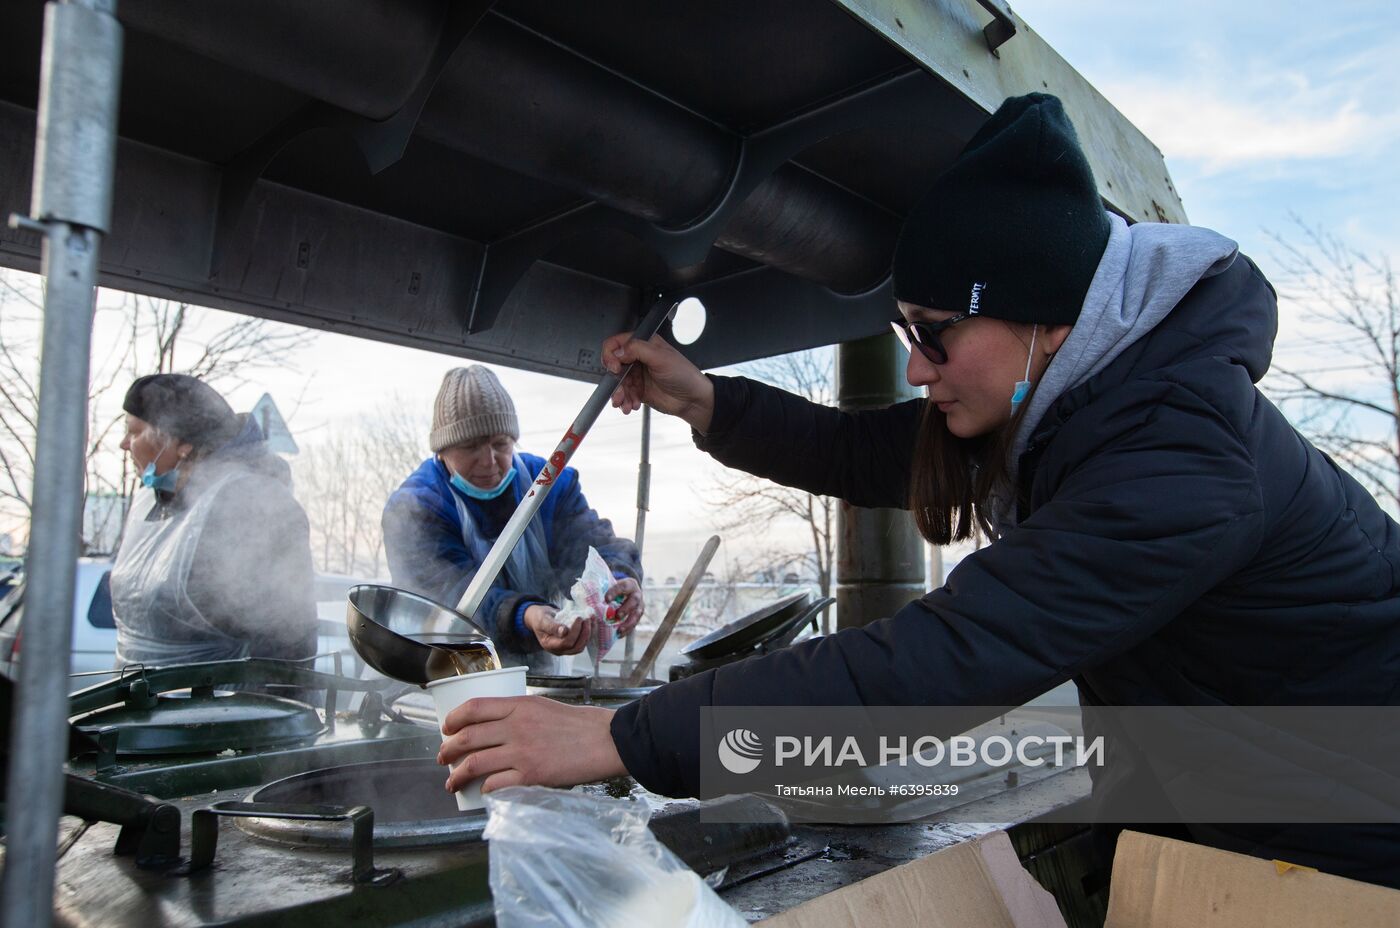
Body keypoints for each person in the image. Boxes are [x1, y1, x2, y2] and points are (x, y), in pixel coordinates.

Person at [434, 94, 1400, 887]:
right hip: (1238, 806)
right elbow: (867, 452)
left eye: (936, 333)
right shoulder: (1073, 399)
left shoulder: (1178, 456)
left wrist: (621, 738)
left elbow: (937, 666)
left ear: (1048, 320)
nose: (917, 370)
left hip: (1350, 832)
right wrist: (707, 401)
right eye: (903, 334)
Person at [381, 365, 644, 672]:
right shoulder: (417, 507)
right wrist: (525, 615)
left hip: (544, 672)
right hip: (454, 673)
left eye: (500, 444)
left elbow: (592, 548)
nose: (489, 461)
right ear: (442, 451)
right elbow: (447, 599)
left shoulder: (548, 484)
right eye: (470, 447)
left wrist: (617, 578)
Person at [112, 374, 317, 669]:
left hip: (214, 709)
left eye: (134, 431)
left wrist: (268, 712)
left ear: (180, 442)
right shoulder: (152, 503)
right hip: (138, 707)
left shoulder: (249, 506)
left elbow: (286, 641)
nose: (124, 444)